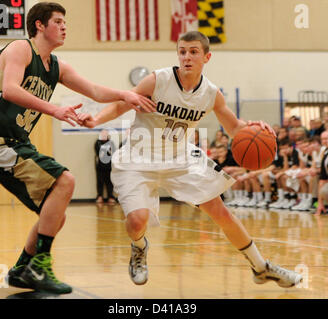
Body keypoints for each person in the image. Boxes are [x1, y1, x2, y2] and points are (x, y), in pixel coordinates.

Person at [77, 31, 302, 288]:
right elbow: (121, 105)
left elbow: (234, 128)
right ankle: (139, 247)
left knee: (221, 212)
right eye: (182, 51)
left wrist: (255, 128)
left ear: (206, 56)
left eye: (193, 52)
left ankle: (261, 267)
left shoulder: (211, 94)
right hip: (138, 160)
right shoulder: (157, 80)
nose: (187, 57)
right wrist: (95, 120)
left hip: (180, 160)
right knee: (137, 221)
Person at [0, 2, 155, 294]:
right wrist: (55, 110)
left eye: (65, 22)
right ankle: (41, 265)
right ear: (40, 25)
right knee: (66, 180)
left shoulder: (57, 66)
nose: (64, 26)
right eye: (57, 21)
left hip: (17, 142)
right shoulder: (19, 49)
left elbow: (93, 90)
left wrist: (125, 94)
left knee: (53, 215)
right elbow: (10, 90)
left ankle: (22, 269)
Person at [94, 129, 116, 204]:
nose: (104, 135)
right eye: (102, 134)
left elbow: (113, 152)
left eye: (105, 134)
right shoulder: (98, 142)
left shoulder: (111, 143)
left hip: (109, 166)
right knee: (100, 181)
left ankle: (110, 196)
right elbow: (98, 152)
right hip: (100, 166)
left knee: (109, 182)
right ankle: (100, 196)